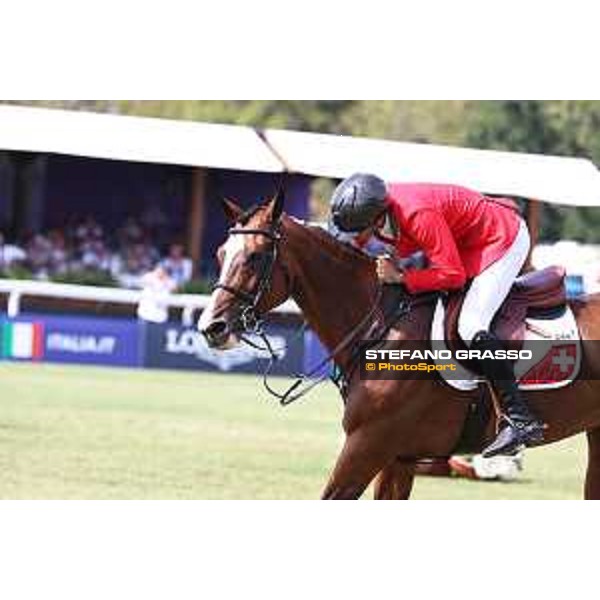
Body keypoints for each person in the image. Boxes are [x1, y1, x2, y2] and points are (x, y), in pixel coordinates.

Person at [329, 173, 545, 457]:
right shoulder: (383, 205)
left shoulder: (416, 213)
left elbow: (452, 275)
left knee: (471, 325)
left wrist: (402, 277)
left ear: (376, 218)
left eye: (359, 231)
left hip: (503, 238)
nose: (358, 240)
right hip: (471, 240)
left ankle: (520, 419)